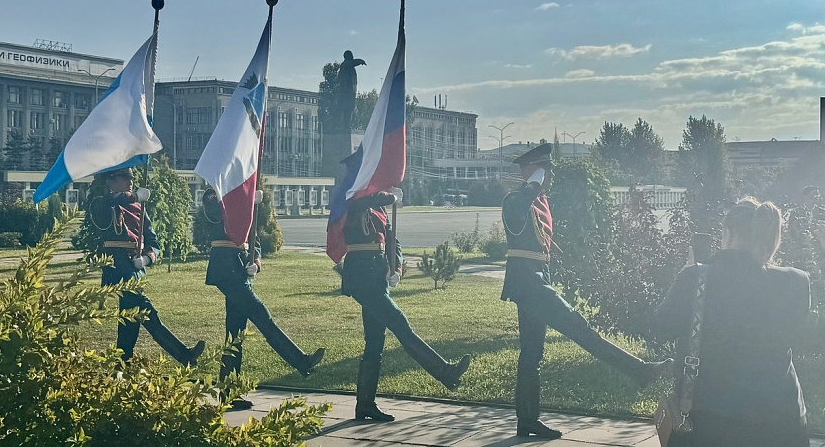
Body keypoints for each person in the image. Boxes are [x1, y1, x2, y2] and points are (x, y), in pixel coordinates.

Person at [501, 143, 672, 439]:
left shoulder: (539, 201)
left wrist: (536, 188)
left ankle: (526, 421)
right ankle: (641, 371)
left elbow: (541, 250)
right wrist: (532, 185)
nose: (549, 177)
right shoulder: (516, 199)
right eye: (545, 171)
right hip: (527, 283)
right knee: (581, 329)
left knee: (531, 353)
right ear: (532, 171)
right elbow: (515, 220)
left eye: (549, 172)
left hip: (536, 282)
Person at [652, 197, 810, 446]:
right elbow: (796, 335)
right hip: (782, 419)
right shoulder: (797, 282)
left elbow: (659, 329)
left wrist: (687, 274)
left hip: (711, 421)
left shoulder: (695, 279)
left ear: (727, 233)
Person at [341, 186, 471, 422]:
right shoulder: (354, 198)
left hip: (377, 277)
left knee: (374, 343)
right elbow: (360, 204)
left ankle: (365, 405)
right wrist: (388, 196)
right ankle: (445, 371)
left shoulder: (379, 208)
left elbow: (393, 242)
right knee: (400, 324)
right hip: (361, 275)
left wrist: (396, 267)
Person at [202, 187, 325, 410]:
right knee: (262, 315)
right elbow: (212, 213)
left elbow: (253, 239)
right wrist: (228, 197)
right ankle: (300, 361)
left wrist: (256, 263)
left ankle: (228, 394)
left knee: (235, 334)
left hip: (240, 270)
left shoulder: (245, 201)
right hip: (225, 268)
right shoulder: (218, 193)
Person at [91, 167, 205, 367]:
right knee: (147, 313)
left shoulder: (138, 207)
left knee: (130, 322)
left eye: (131, 178)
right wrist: (133, 196)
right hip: (117, 267)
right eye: (124, 178)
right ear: (110, 182)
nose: (130, 181)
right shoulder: (103, 204)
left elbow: (153, 242)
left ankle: (121, 364)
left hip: (135, 268)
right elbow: (106, 202)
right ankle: (183, 354)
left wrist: (146, 259)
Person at [336, 50, 366, 131]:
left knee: (350, 108)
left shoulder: (349, 67)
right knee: (346, 108)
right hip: (346, 92)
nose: (352, 57)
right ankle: (345, 125)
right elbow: (353, 62)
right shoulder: (345, 65)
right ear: (347, 56)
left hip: (351, 92)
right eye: (351, 55)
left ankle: (346, 125)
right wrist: (360, 61)